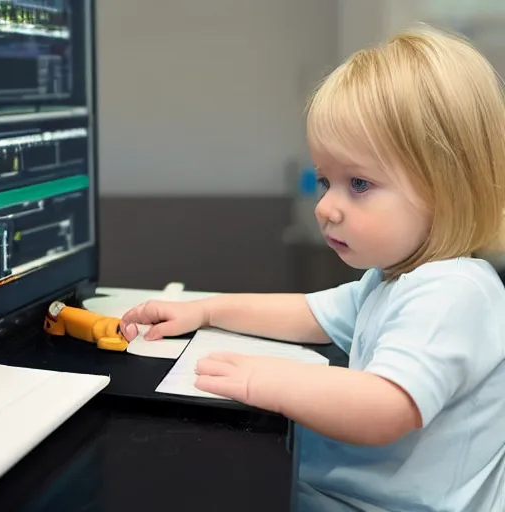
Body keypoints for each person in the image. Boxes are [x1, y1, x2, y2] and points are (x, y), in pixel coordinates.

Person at [121, 24, 505, 511]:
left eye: (359, 184)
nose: (326, 207)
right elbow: (307, 312)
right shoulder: (393, 280)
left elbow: (387, 407)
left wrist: (268, 382)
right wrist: (205, 310)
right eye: (326, 180)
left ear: (446, 186)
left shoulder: (454, 294)